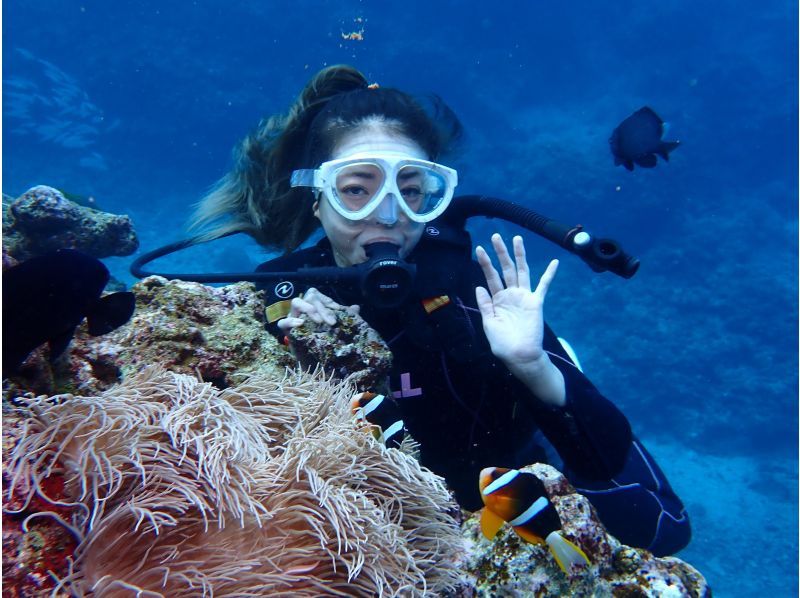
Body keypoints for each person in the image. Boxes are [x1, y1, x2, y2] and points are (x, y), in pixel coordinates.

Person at [190, 65, 691, 556]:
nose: (387, 215)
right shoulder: (278, 293)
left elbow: (662, 520)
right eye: (356, 189)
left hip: (504, 497)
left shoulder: (469, 285)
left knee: (661, 534)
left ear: (434, 196)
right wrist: (291, 341)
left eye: (410, 191)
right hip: (372, 527)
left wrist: (532, 365)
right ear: (317, 199)